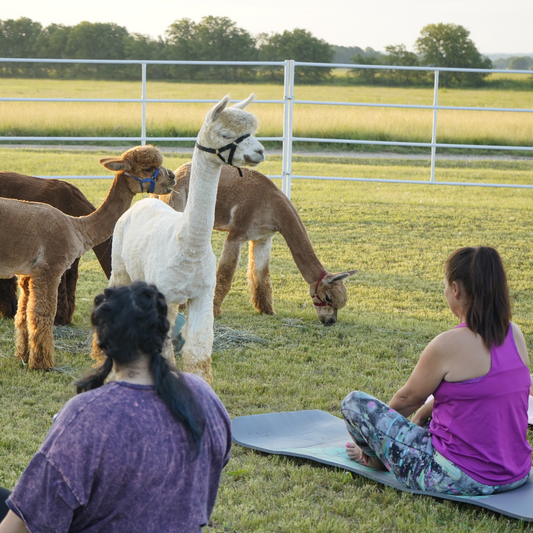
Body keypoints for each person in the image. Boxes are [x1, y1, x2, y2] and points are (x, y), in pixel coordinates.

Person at [0, 281, 232, 532]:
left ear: (100, 342)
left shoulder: (86, 415)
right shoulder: (203, 395)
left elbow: (20, 523)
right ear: (163, 334)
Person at [341, 246, 531, 496]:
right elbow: (482, 393)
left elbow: (406, 400)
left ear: (455, 289)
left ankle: (372, 459)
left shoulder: (447, 344)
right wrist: (421, 417)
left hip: (457, 477)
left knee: (354, 403)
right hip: (515, 474)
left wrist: (378, 443)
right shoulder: (514, 333)